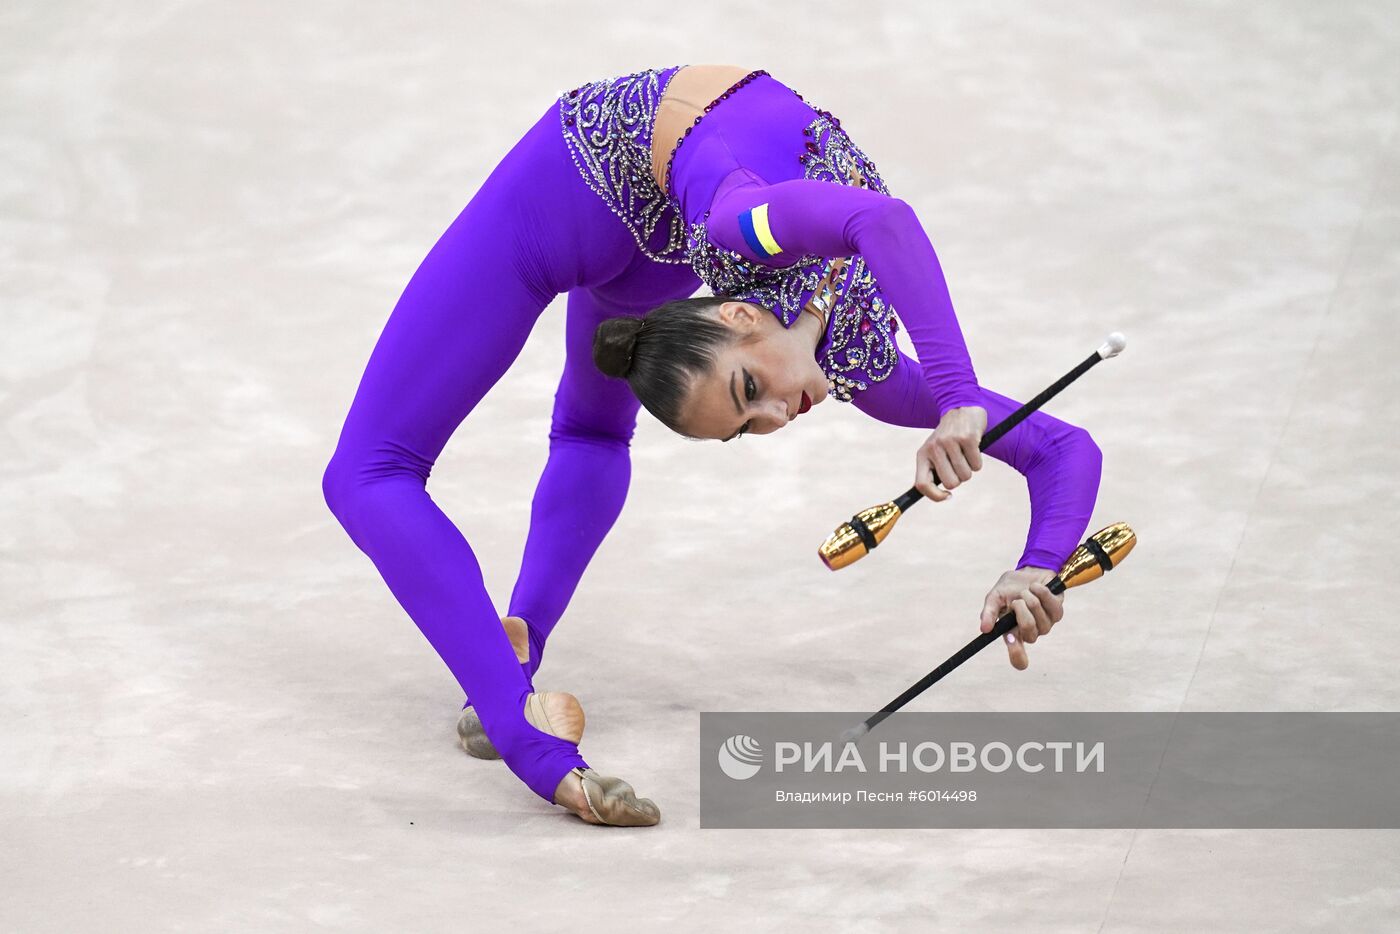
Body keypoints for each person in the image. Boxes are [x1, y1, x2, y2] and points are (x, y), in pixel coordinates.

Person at [321, 65, 1102, 828]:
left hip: (664, 241)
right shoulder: (743, 230)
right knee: (367, 472)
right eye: (747, 399)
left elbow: (1062, 448)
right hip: (573, 185)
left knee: (595, 427)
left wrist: (1036, 569)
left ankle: (517, 644)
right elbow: (881, 220)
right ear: (734, 317)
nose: (771, 420)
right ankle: (524, 729)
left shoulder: (858, 363)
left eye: (745, 419)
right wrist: (959, 394)